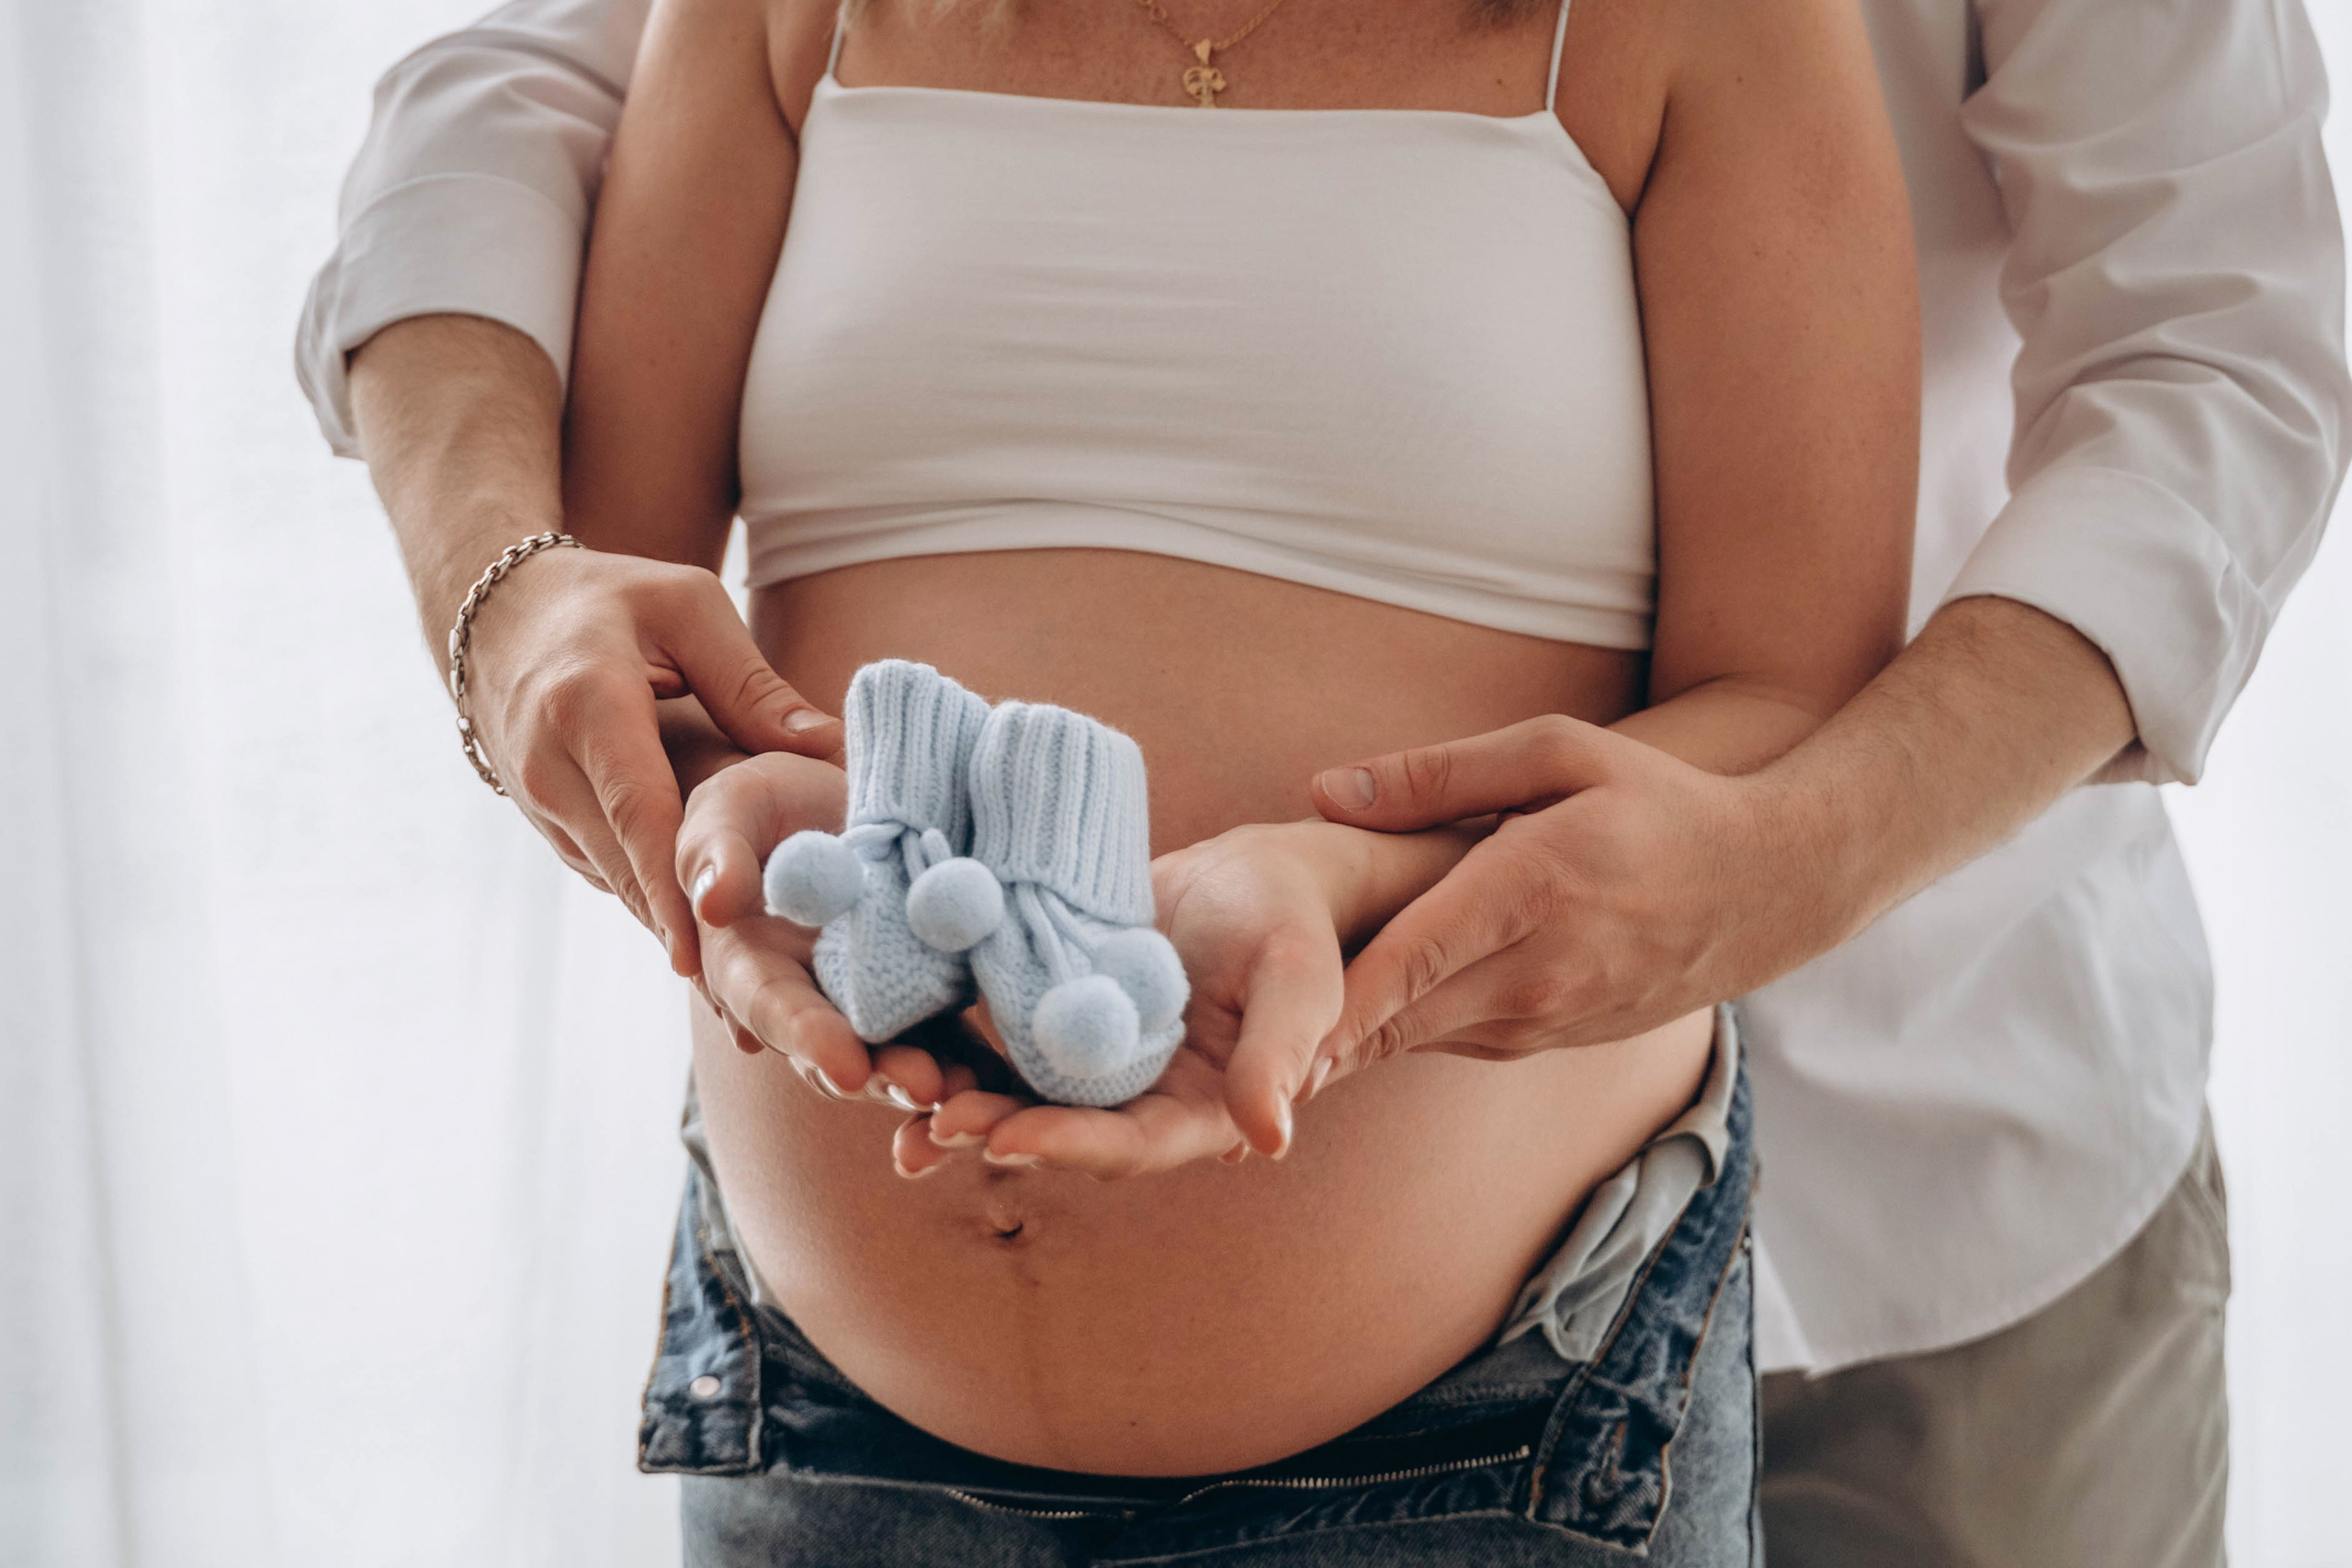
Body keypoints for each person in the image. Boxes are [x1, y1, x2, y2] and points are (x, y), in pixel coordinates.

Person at [295, 4, 2347, 1568]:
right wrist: (608, 706)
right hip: (836, 1411)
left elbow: (2219, 353)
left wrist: (1779, 848)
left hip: (1869, 1188)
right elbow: (522, 118)